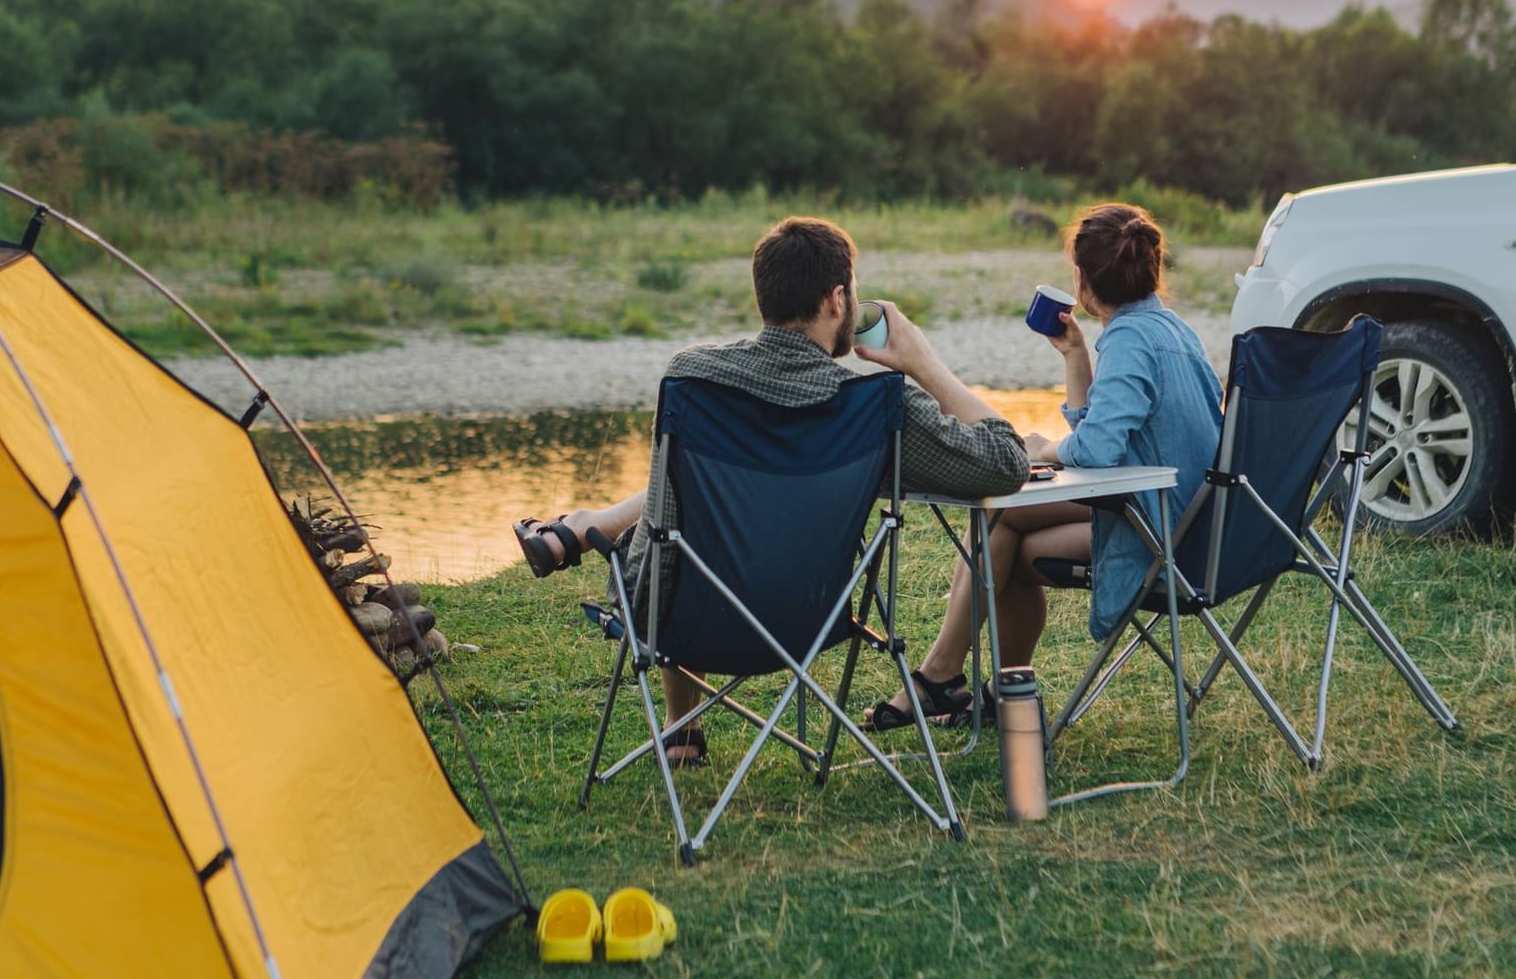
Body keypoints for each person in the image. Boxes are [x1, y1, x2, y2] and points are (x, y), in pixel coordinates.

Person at [512, 216, 1028, 763]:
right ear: (837, 300)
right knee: (681, 503)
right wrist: (923, 363)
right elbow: (1006, 462)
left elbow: (666, 520)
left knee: (679, 514)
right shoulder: (875, 406)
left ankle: (680, 725)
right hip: (812, 618)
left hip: (682, 618)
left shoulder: (694, 378)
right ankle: (584, 529)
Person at [891, 202, 1224, 724]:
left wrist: (1045, 449)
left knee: (1002, 523)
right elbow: (1111, 429)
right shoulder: (1170, 329)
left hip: (1161, 532)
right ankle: (981, 686)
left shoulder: (1130, 340)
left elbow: (1095, 451)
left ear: (1082, 280)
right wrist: (1075, 357)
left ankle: (942, 679)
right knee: (1005, 528)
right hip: (1193, 517)